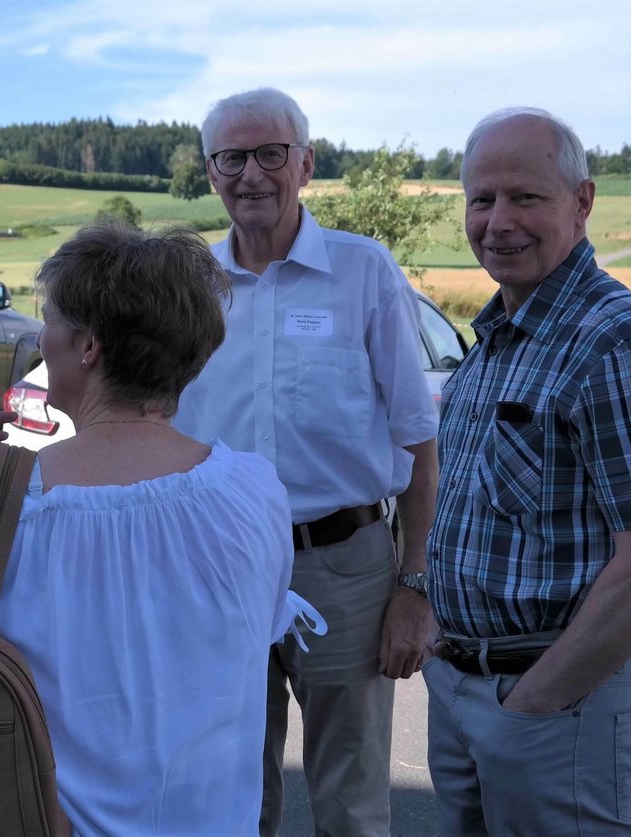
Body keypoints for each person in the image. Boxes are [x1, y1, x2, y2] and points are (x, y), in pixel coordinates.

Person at [0, 222, 323, 835]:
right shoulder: (254, 489)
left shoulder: (4, 490)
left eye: (50, 319)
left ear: (88, 347)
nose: (40, 338)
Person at [172, 87, 440, 836]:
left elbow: (420, 441)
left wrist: (413, 587)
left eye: (270, 154)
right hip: (217, 566)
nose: (251, 174)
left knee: (350, 800)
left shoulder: (364, 271)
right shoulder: (189, 284)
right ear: (210, 171)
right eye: (232, 157)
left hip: (344, 565)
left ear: (306, 164)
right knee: (227, 793)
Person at [424, 107, 631, 835]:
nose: (497, 221)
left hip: (549, 705)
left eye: (525, 197)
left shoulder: (617, 341)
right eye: (481, 200)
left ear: (582, 203)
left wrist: (536, 701)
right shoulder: (497, 338)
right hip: (465, 687)